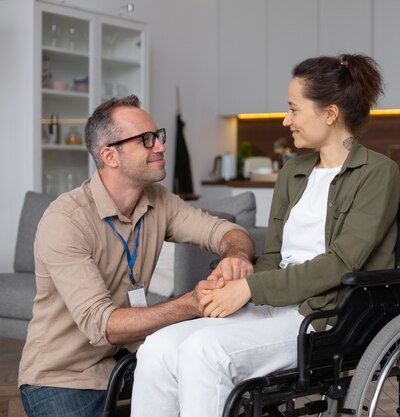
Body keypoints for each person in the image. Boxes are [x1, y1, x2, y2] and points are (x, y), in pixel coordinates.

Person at [131, 53, 400, 417]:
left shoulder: (377, 173)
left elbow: (341, 263)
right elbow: (272, 255)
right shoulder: (294, 172)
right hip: (272, 304)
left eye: (294, 109)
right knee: (158, 346)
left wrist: (249, 289)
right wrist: (237, 280)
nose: (286, 120)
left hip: (325, 316)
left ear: (330, 114)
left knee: (203, 353)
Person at [18, 95, 255, 417]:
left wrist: (236, 256)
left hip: (130, 362)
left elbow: (227, 232)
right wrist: (190, 304)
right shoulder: (65, 221)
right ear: (109, 155)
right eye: (146, 140)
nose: (159, 146)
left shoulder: (161, 201)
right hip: (64, 377)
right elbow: (104, 325)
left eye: (157, 136)